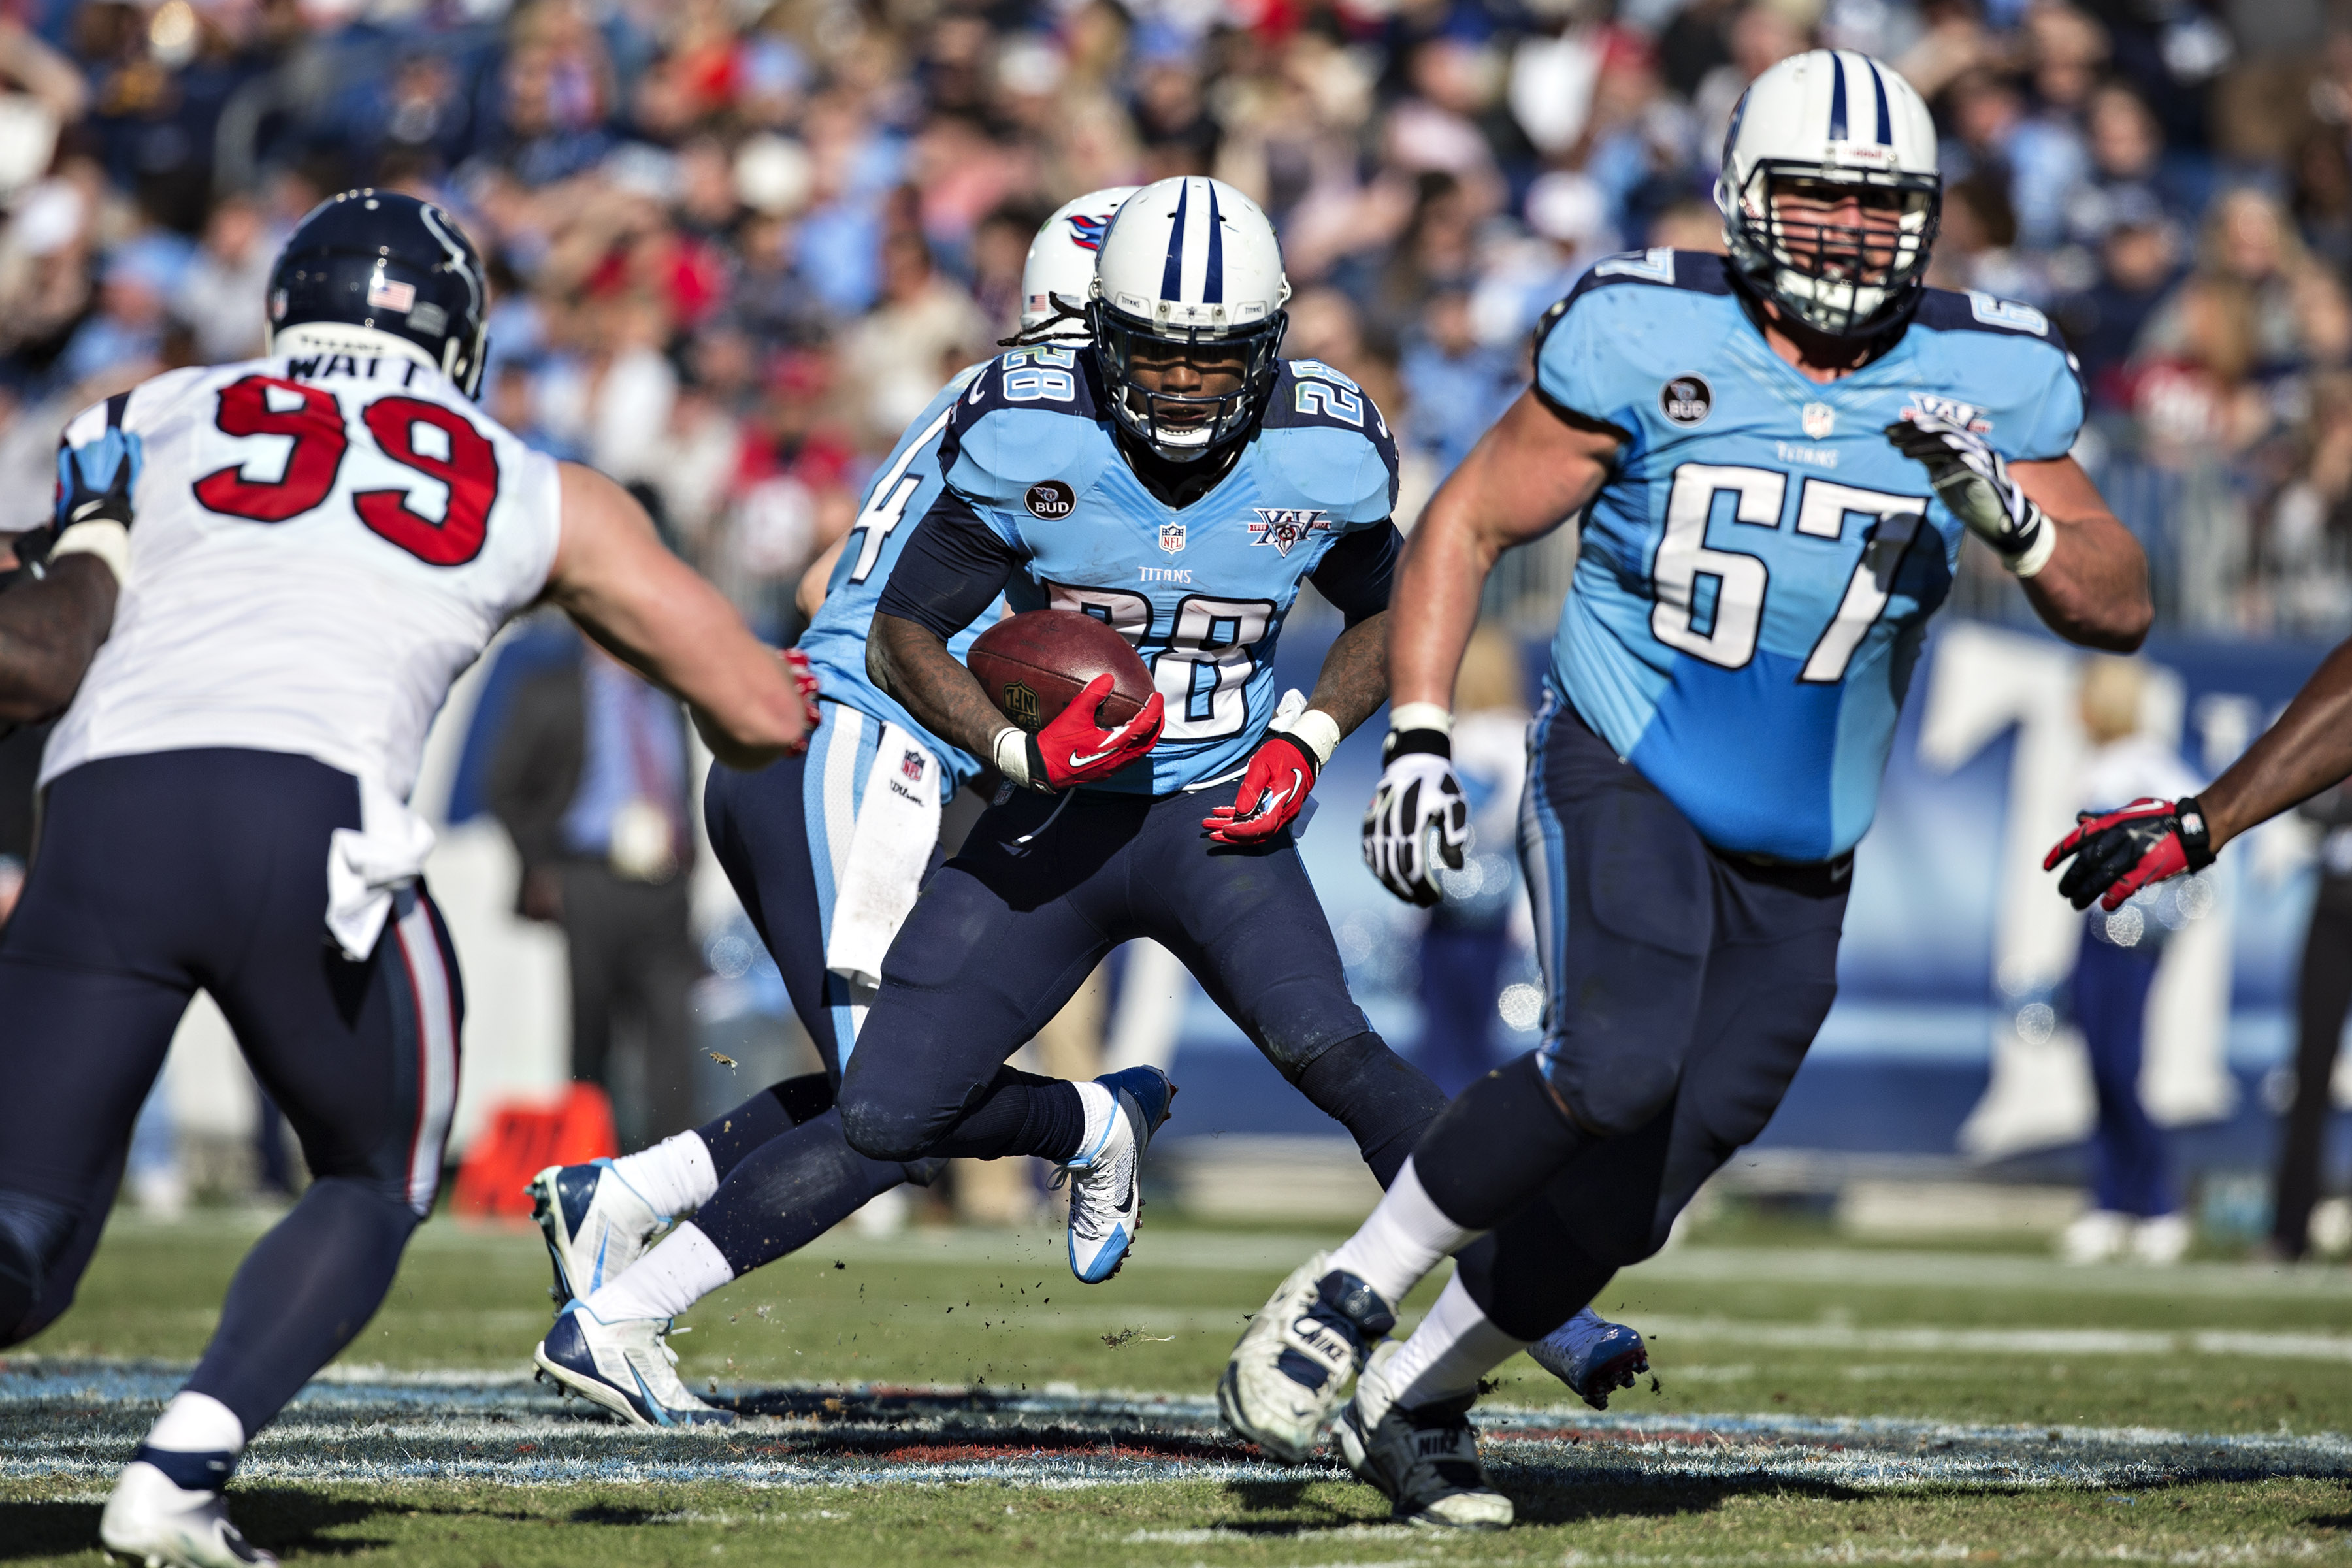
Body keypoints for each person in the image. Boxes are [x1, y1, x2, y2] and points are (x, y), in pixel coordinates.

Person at [527, 179, 1645, 1433]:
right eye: (1153, 352)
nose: (1177, 384)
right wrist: (1010, 750)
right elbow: (904, 628)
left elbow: (1402, 600)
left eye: (1210, 357)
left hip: (1220, 813)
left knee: (1340, 1058)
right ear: (1098, 334)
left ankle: (1545, 1309)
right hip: (1055, 818)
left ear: (1269, 343)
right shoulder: (1032, 430)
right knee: (889, 1107)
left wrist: (1312, 731)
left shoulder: (1324, 445)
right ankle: (622, 1313)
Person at [1220, 50, 2155, 1529]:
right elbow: (1462, 518)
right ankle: (1344, 1288)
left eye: (1880, 209)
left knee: (1642, 1189)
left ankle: (1416, 1400)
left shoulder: (1987, 371)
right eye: (1820, 201)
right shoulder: (1647, 325)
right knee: (1614, 1062)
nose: (1849, 235)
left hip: (1807, 831)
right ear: (1743, 199)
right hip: (1627, 749)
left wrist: (2014, 517)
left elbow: (2118, 602)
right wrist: (1408, 730)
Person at [0, 189, 812, 1568]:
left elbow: (45, 621)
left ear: (281, 313)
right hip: (310, 820)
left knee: (22, 1239)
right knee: (375, 1172)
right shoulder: (534, 478)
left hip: (104, 812)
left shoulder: (147, 411)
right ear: (463, 338)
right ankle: (179, 1476)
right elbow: (757, 711)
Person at [523, 188, 1137, 1428]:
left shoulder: (975, 398)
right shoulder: (1071, 423)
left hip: (792, 742)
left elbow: (819, 578)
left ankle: (631, 1195)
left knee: (887, 1085)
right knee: (897, 1108)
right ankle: (625, 1315)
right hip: (867, 755)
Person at [488, 626, 701, 1147]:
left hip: (663, 884)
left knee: (673, 1031)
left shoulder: (667, 697)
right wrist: (543, 866)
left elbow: (679, 784)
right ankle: (594, 1160)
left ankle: (672, 1167)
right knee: (591, 1033)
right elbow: (504, 786)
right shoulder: (551, 690)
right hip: (587, 878)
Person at [2057, 657, 2200, 1266]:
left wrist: (2157, 910)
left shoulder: (2147, 763)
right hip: (2096, 930)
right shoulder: (2102, 762)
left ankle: (2160, 1203)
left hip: (2132, 935)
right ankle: (2111, 1200)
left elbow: (2196, 837)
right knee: (2097, 1066)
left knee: (2120, 1067)